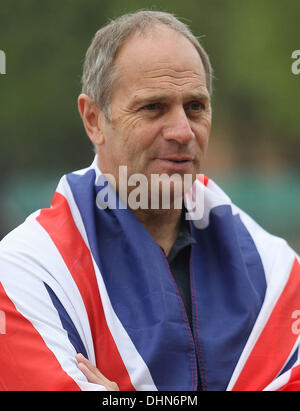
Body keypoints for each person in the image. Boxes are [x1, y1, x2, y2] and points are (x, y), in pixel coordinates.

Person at [0, 10, 299, 392]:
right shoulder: (29, 270)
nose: (182, 131)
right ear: (93, 119)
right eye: (153, 108)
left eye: (195, 107)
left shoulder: (276, 270)